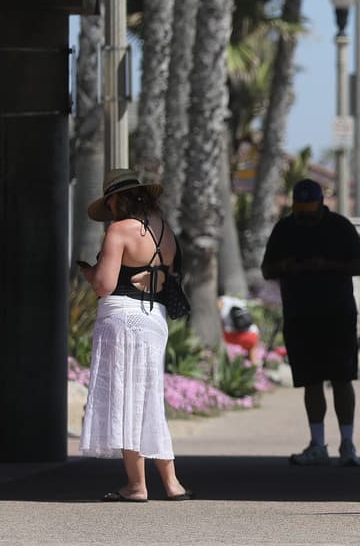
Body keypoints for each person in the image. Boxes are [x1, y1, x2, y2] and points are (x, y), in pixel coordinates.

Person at [77, 168, 192, 502]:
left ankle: (137, 485)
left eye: (110, 202)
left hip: (122, 316)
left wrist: (89, 273)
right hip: (155, 318)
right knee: (149, 398)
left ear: (116, 199)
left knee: (126, 399)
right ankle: (172, 483)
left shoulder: (119, 230)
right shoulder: (165, 231)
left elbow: (104, 285)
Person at [262, 179, 360, 467]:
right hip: (300, 314)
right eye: (300, 210)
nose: (305, 216)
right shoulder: (285, 228)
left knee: (343, 378)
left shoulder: (340, 227)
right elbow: (267, 269)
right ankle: (318, 443)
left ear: (322, 204)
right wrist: (288, 267)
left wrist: (328, 265)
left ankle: (348, 443)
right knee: (310, 380)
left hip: (337, 314)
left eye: (310, 210)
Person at [219, 295, 262, 365]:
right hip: (252, 335)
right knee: (253, 361)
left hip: (231, 337)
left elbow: (221, 324)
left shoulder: (221, 301)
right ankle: (256, 372)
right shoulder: (239, 301)